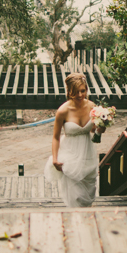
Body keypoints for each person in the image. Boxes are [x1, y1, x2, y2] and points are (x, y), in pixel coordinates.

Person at [44, 72, 104, 207]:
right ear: (69, 91)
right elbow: (55, 137)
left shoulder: (92, 107)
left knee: (88, 193)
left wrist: (101, 129)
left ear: (86, 89)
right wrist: (55, 158)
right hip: (69, 154)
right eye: (75, 92)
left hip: (87, 153)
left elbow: (94, 130)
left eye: (82, 91)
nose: (80, 95)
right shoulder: (63, 111)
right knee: (75, 196)